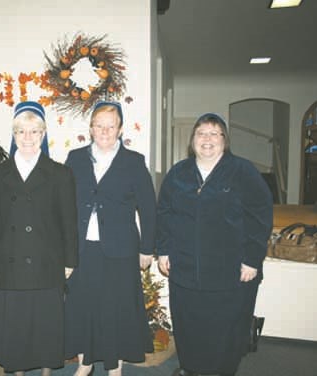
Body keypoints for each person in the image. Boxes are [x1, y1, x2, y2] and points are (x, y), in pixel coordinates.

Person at [156, 113, 273, 376]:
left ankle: (221, 370)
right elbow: (163, 212)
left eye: (214, 133)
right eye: (201, 133)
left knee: (225, 327)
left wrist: (253, 259)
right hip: (185, 268)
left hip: (231, 270)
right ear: (192, 140)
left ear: (224, 140)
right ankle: (191, 368)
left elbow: (261, 215)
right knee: (188, 323)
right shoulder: (179, 172)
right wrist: (163, 249)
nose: (206, 139)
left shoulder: (243, 171)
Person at [0, 101, 78, 376]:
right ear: (14, 135)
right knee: (15, 323)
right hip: (8, 259)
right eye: (21, 131)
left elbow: (69, 221)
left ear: (44, 135)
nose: (28, 138)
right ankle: (17, 371)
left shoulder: (60, 173)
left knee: (46, 321)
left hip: (47, 259)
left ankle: (46, 371)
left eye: (34, 132)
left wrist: (70, 260)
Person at [64, 101, 157, 376]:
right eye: (99, 125)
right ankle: (85, 361)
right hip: (83, 247)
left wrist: (147, 248)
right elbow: (64, 204)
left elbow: (149, 208)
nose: (105, 131)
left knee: (116, 306)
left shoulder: (134, 161)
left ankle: (114, 365)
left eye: (111, 126)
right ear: (91, 128)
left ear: (120, 129)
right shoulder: (75, 158)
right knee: (83, 304)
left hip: (121, 248)